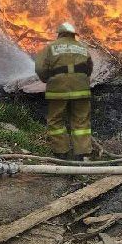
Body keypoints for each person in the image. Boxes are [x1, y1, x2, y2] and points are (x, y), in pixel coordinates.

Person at [35, 22, 94, 160]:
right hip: (81, 90)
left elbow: (40, 68)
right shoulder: (82, 47)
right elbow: (89, 68)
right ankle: (82, 154)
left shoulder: (51, 47)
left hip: (58, 90)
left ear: (60, 34)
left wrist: (46, 79)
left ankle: (62, 152)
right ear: (73, 35)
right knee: (81, 121)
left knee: (56, 120)